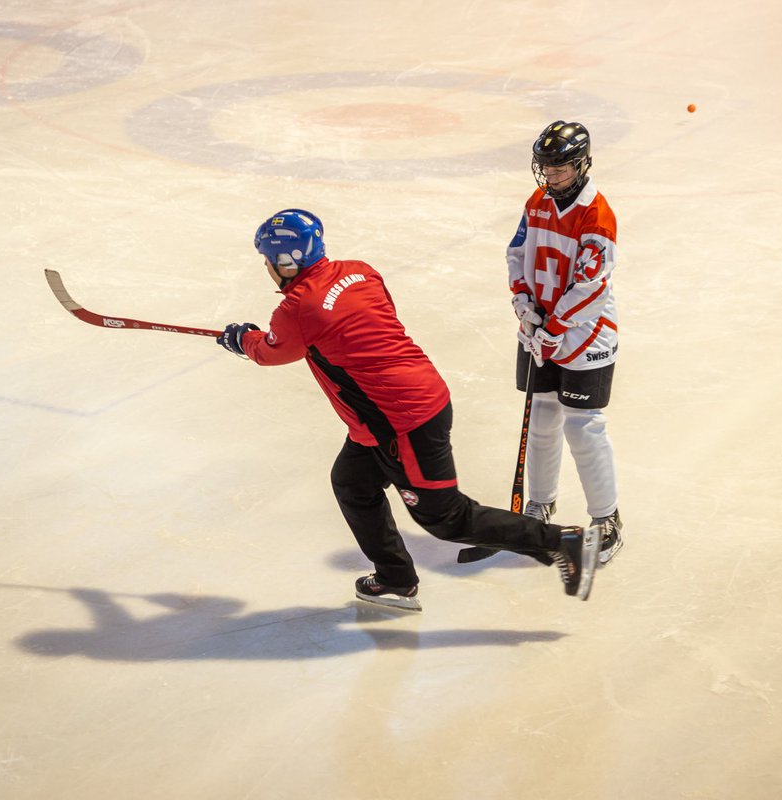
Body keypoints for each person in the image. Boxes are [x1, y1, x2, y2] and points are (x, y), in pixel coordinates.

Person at [217, 208, 601, 611]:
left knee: (447, 518)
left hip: (402, 422)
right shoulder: (359, 272)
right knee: (352, 483)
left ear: (285, 262)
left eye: (267, 261)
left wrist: (240, 339)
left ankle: (564, 541)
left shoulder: (297, 308)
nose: (267, 268)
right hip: (406, 402)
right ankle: (395, 579)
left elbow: (270, 351)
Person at [505, 120, 623, 566]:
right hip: (540, 330)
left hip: (585, 335)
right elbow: (517, 253)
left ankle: (608, 519)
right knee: (542, 416)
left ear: (582, 164)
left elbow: (591, 286)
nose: (550, 177)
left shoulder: (597, 215)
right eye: (545, 168)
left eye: (559, 169)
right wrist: (523, 305)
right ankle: (540, 504)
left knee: (583, 426)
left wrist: (554, 329)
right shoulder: (537, 202)